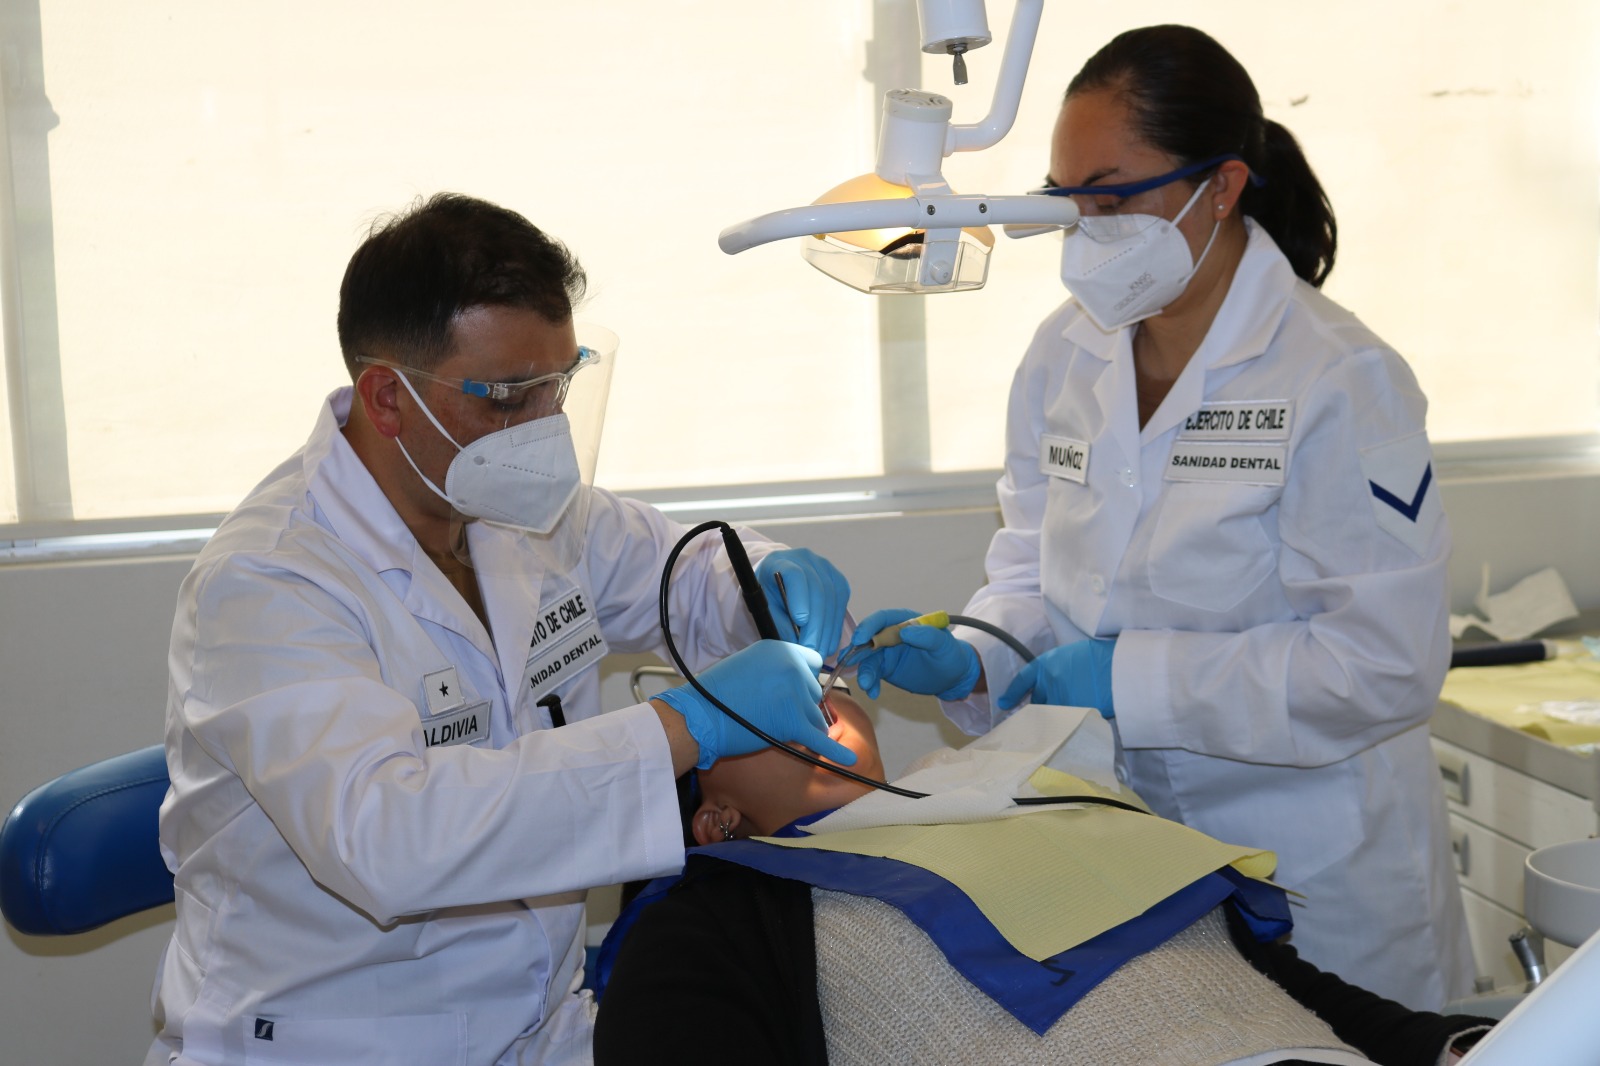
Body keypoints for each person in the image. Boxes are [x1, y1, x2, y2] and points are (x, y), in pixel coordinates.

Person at [145, 193, 858, 1066]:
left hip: (539, 1028)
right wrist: (685, 725)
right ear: (388, 397)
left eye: (560, 383)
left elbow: (685, 570)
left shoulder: (518, 511)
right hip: (338, 1042)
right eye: (510, 396)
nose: (545, 429)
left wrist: (761, 587)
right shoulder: (269, 583)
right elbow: (391, 839)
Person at [847, 24, 1472, 1010]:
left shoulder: (1339, 377)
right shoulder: (1063, 356)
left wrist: (1129, 677)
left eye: (1114, 195)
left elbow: (1381, 664)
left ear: (1220, 187)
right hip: (1133, 859)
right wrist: (977, 653)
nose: (1087, 226)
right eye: (1067, 200)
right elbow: (1036, 574)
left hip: (1319, 874)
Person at [592, 696, 1495, 1065]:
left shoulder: (1046, 804)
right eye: (734, 710)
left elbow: (1269, 977)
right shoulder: (724, 906)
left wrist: (1457, 1048)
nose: (793, 694)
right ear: (716, 820)